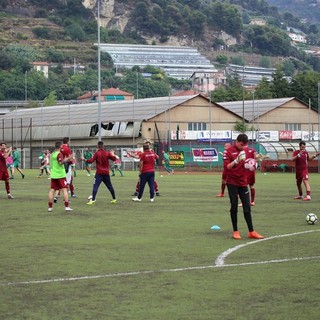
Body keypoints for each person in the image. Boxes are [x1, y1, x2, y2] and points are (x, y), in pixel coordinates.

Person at [224, 134, 264, 240]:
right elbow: (227, 168)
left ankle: (251, 231)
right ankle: (236, 231)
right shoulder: (228, 151)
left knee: (247, 207)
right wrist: (236, 161)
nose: (243, 147)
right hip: (232, 182)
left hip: (243, 183)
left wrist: (255, 162)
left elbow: (251, 161)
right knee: (234, 206)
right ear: (237, 141)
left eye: (244, 145)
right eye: (241, 145)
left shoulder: (246, 150)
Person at [81, 141, 117, 205]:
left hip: (99, 173)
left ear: (98, 146)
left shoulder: (97, 153)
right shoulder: (107, 153)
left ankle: (93, 200)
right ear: (103, 146)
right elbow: (114, 159)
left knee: (95, 186)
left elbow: (91, 161)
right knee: (110, 186)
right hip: (106, 173)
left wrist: (84, 159)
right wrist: (113, 153)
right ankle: (114, 199)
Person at [48, 141, 73, 212]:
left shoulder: (52, 154)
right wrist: (68, 158)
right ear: (60, 146)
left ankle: (50, 207)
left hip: (53, 174)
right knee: (64, 189)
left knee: (52, 190)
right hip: (60, 175)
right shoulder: (59, 154)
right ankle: (67, 206)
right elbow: (60, 162)